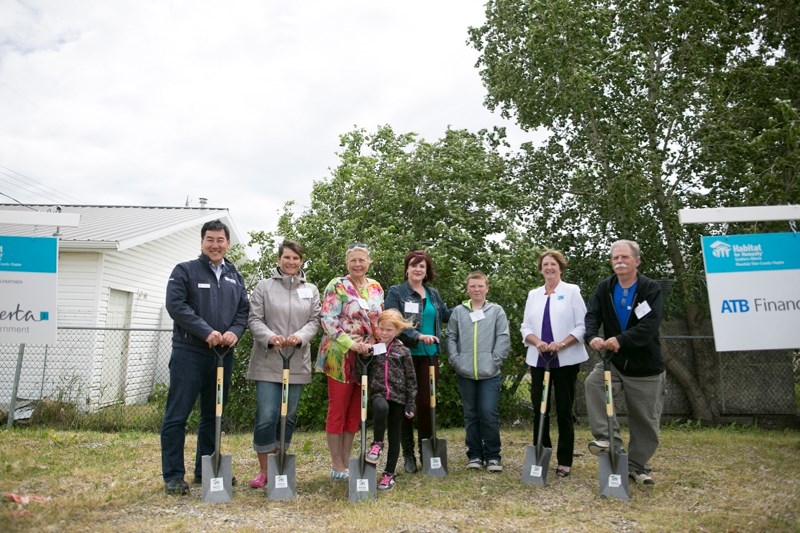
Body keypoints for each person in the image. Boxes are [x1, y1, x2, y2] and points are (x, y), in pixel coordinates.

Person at [161, 219, 250, 495]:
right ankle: (174, 476)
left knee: (214, 415)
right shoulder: (185, 271)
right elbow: (176, 306)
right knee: (177, 416)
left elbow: (243, 311)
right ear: (202, 242)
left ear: (228, 243)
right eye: (210, 239)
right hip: (190, 353)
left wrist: (235, 332)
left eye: (220, 240)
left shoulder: (235, 274)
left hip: (222, 356)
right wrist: (206, 331)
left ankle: (206, 470)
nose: (215, 245)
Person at [584, 239, 665, 485]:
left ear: (637, 261)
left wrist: (621, 339)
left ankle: (637, 467)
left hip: (646, 368)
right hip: (614, 363)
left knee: (645, 421)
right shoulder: (605, 288)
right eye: (615, 258)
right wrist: (592, 336)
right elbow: (592, 315)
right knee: (593, 384)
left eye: (624, 258)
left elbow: (649, 326)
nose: (619, 261)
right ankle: (609, 441)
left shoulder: (651, 288)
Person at [245, 240, 320, 489]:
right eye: (286, 257)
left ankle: (280, 464)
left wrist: (300, 337)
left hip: (296, 360)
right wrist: (270, 337)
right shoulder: (264, 287)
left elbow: (314, 320)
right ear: (279, 259)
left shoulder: (311, 289)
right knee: (267, 415)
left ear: (301, 261)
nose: (291, 262)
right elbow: (254, 319)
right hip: (268, 359)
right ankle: (264, 470)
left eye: (296, 258)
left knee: (288, 416)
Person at [316, 244, 384, 480]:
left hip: (366, 356)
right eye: (353, 260)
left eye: (361, 260)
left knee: (356, 411)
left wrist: (379, 344)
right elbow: (327, 318)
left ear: (369, 262)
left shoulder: (375, 287)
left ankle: (346, 462)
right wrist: (351, 344)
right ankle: (337, 464)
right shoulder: (337, 286)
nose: (357, 264)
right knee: (338, 409)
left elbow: (379, 319)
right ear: (347, 263)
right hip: (340, 356)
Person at [520, 249, 589, 478]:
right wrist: (538, 342)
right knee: (540, 410)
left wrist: (562, 344)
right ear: (541, 269)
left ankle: (565, 461)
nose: (549, 268)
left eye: (553, 264)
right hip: (539, 360)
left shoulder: (571, 292)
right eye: (545, 264)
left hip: (565, 360)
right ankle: (541, 455)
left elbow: (581, 325)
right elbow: (525, 328)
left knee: (564, 410)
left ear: (560, 268)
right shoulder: (534, 294)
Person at [385, 250, 451, 474]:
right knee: (404, 406)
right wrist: (417, 336)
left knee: (426, 404)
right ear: (407, 269)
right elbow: (392, 320)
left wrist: (473, 305)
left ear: (427, 270)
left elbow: (446, 316)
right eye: (414, 265)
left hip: (430, 356)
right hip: (404, 356)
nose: (417, 269)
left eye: (422, 266)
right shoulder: (397, 292)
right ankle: (408, 455)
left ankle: (427, 453)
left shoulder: (433, 294)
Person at [446, 271, 510, 472]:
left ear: (487, 288)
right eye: (473, 286)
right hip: (465, 373)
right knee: (471, 415)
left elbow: (503, 337)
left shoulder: (496, 311)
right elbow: (451, 337)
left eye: (480, 286)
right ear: (467, 289)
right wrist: (456, 360)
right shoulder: (458, 311)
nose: (477, 289)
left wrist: (494, 361)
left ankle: (493, 456)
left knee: (488, 413)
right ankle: (474, 455)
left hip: (489, 374)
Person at [364, 309, 418, 491]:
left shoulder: (403, 351)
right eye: (381, 329)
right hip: (379, 393)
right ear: (377, 329)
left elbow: (411, 379)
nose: (384, 333)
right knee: (380, 408)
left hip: (399, 397)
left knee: (395, 435)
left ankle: (388, 473)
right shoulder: (373, 348)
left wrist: (411, 402)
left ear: (397, 331)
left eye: (389, 330)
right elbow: (361, 371)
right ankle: (377, 443)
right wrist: (363, 356)